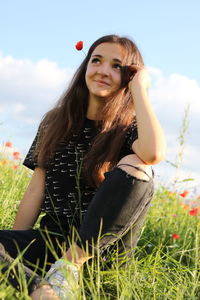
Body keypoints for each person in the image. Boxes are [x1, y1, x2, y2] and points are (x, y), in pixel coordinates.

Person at [0, 34, 166, 299]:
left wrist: (140, 90)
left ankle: (69, 266)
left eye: (116, 66)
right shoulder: (55, 122)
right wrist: (16, 250)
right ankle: (42, 291)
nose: (102, 70)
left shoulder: (130, 128)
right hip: (51, 240)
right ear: (85, 66)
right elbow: (35, 190)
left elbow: (154, 153)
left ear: (130, 76)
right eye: (96, 60)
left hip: (102, 254)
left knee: (138, 164)